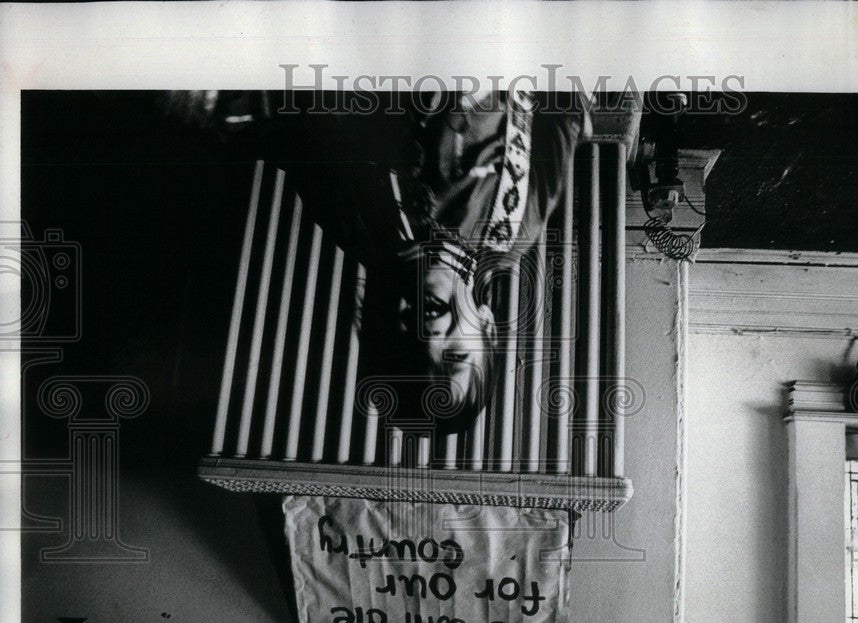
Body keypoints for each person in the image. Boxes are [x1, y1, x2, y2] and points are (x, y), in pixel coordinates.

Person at [167, 88, 589, 434]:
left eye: (411, 350)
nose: (432, 333)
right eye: (456, 355)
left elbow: (299, 133)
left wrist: (220, 107)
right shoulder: (511, 233)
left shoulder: (361, 226)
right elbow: (566, 115)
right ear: (488, 328)